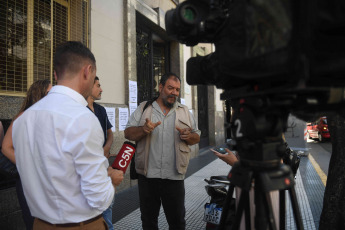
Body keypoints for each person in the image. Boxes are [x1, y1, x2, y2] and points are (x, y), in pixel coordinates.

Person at [12, 41, 123, 230]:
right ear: (87, 71)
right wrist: (111, 180)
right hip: (81, 225)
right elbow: (99, 199)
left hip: (39, 224)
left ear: (56, 75)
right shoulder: (83, 118)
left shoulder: (23, 120)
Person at [124, 72, 201, 230]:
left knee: (177, 223)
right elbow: (128, 133)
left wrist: (189, 136)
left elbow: (197, 137)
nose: (174, 92)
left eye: (177, 89)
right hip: (148, 177)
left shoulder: (184, 111)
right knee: (149, 222)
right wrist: (143, 129)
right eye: (170, 88)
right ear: (161, 87)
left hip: (174, 178)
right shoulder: (145, 108)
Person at [2, 79, 52, 230]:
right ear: (39, 94)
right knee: (34, 224)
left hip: (46, 180)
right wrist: (28, 165)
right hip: (29, 181)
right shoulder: (24, 116)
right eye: (50, 93)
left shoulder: (49, 116)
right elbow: (6, 147)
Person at [87, 76, 114, 230]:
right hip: (90, 169)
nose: (101, 89)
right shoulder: (79, 110)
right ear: (88, 87)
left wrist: (107, 147)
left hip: (103, 165)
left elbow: (110, 133)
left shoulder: (101, 110)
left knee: (108, 206)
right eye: (98, 85)